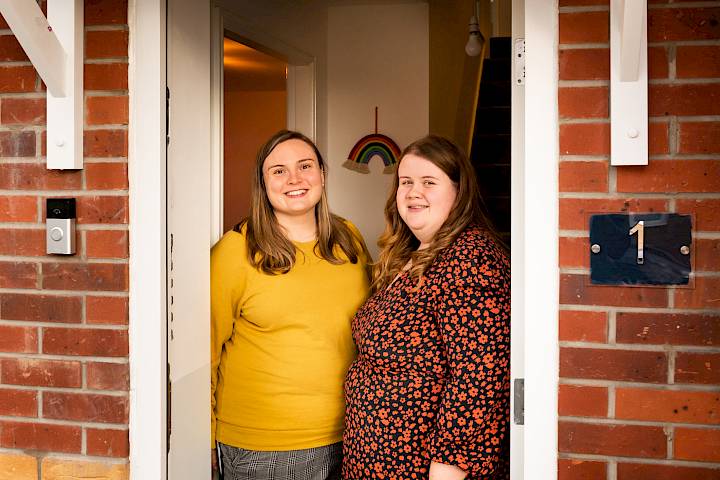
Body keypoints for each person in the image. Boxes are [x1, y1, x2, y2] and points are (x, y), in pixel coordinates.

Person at [343, 135, 510, 480]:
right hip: (379, 460)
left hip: (424, 467)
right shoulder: (411, 254)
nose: (413, 192)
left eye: (428, 182)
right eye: (406, 182)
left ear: (458, 190)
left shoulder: (471, 259)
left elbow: (479, 378)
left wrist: (450, 466)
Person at [211, 130, 370, 480]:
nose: (294, 179)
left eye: (305, 166)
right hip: (265, 448)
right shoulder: (235, 252)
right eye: (278, 170)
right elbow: (204, 352)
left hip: (353, 435)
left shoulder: (350, 239)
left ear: (322, 175)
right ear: (263, 184)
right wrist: (203, 440)